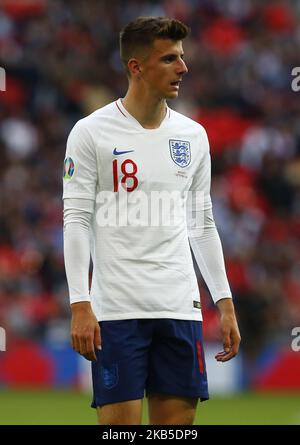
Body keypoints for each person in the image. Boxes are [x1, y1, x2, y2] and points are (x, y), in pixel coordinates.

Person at [63, 16, 241, 425]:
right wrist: (79, 304)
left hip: (180, 309)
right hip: (117, 311)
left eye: (182, 57)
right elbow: (76, 220)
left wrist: (225, 304)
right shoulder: (90, 133)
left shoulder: (193, 135)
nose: (183, 68)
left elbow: (202, 224)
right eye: (169, 59)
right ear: (136, 67)